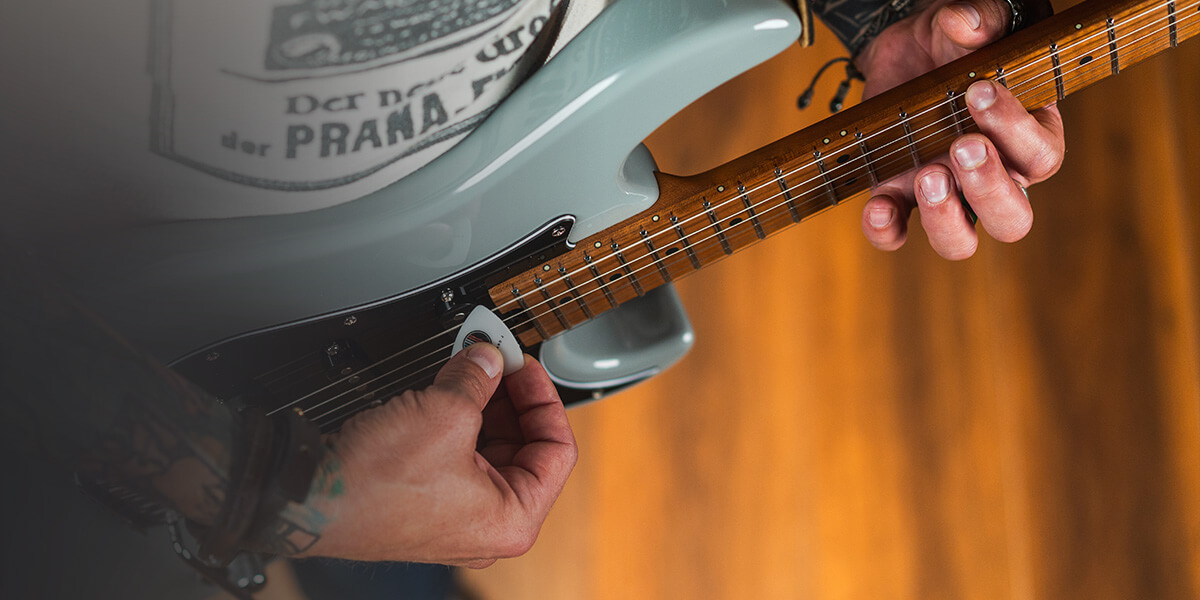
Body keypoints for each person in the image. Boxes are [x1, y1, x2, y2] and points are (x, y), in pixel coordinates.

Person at [0, 0, 1064, 597]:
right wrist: (271, 495)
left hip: (427, 377)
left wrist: (889, 14)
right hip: (86, 383)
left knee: (402, 561)